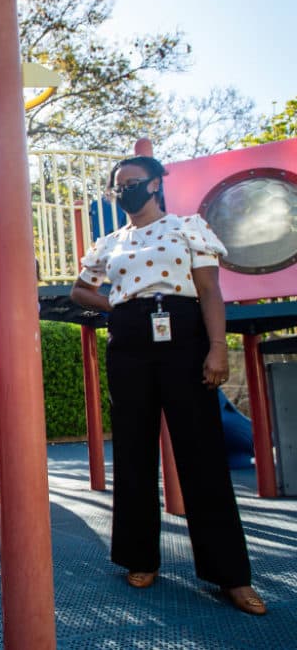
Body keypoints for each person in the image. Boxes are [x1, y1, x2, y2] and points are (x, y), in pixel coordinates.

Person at [70, 155, 266, 616]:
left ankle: (231, 575)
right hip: (130, 341)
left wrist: (218, 347)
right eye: (118, 187)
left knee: (202, 454)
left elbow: (210, 291)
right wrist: (114, 305)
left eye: (133, 183)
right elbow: (81, 289)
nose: (125, 192)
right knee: (134, 452)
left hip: (183, 335)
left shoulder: (187, 227)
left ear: (156, 184)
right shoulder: (109, 242)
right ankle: (139, 559)